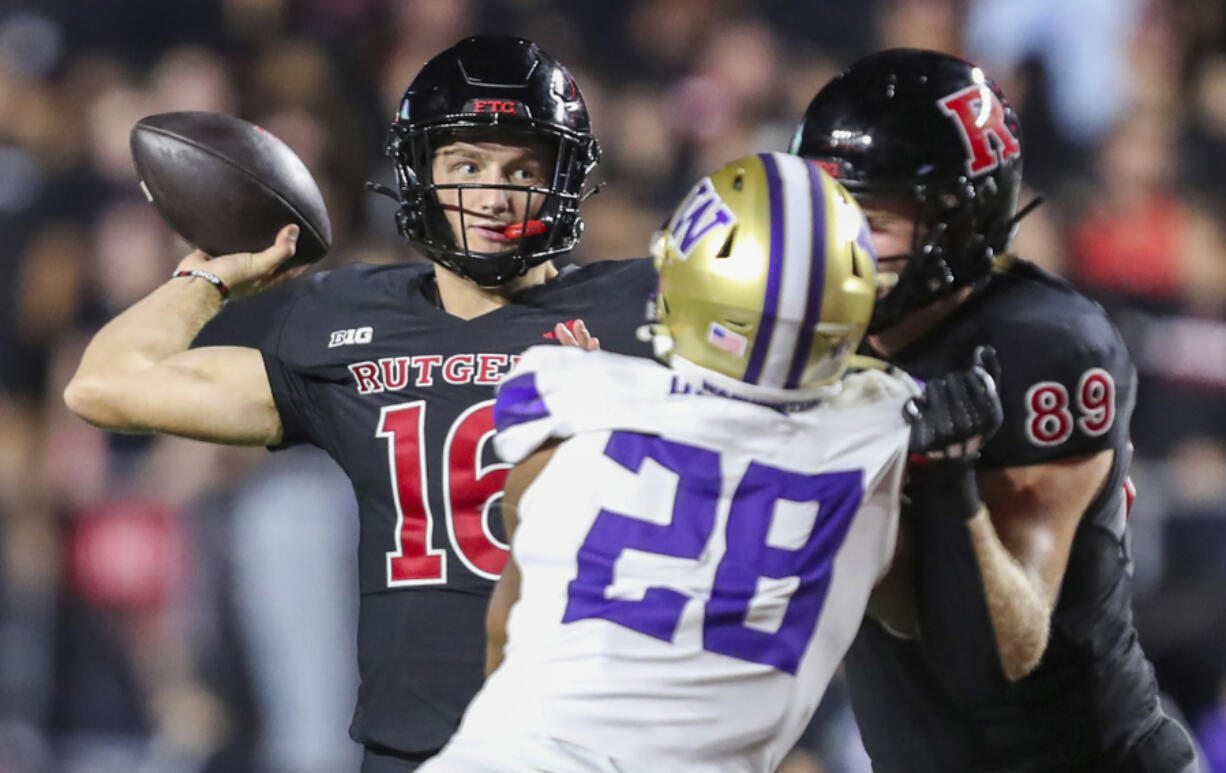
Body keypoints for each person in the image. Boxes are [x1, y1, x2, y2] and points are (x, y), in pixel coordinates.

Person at [63, 35, 657, 773]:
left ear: (564, 178)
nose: (495, 194)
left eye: (522, 168)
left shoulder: (645, 307)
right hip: (412, 749)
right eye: (466, 164)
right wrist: (214, 278)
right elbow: (106, 384)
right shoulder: (347, 321)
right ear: (419, 174)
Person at [415, 152, 1004, 773]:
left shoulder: (573, 392)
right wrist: (944, 466)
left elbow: (508, 625)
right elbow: (944, 627)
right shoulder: (878, 432)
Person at [791, 48, 1198, 772]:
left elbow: (1001, 653)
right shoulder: (806, 333)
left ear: (960, 217)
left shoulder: (1044, 350)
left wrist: (947, 486)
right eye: (829, 209)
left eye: (872, 218)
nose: (842, 244)